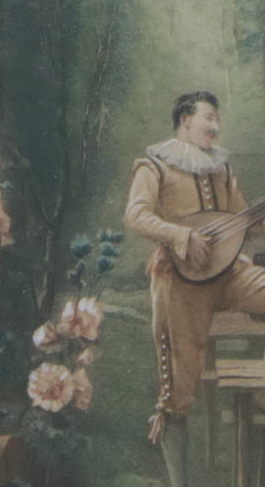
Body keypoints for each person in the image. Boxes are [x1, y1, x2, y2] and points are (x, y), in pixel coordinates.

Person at [124, 90, 265, 487]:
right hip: (180, 281)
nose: (215, 126)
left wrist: (258, 222)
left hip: (229, 272)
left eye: (217, 119)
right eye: (208, 118)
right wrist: (182, 236)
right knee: (178, 391)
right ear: (185, 120)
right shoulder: (155, 165)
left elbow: (241, 222)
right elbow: (136, 215)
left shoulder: (221, 168)